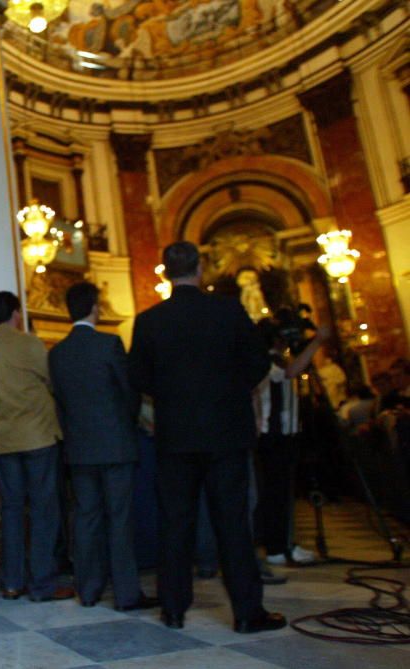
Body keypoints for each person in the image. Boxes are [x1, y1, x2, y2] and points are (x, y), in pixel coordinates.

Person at [129, 241, 285, 633]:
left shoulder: (150, 321)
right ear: (200, 269)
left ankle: (173, 609)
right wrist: (232, 393)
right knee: (233, 524)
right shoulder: (228, 310)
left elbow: (138, 378)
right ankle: (248, 613)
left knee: (175, 522)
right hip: (226, 433)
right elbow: (258, 362)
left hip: (175, 435)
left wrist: (169, 397)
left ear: (165, 272)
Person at [48, 282, 158, 611]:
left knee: (85, 519)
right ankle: (126, 595)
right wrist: (125, 423)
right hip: (116, 446)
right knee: (119, 519)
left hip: (79, 449)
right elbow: (129, 392)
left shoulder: (57, 353)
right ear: (95, 308)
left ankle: (89, 590)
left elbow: (61, 402)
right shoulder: (109, 344)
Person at [0, 291, 73, 602]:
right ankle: (42, 583)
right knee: (45, 511)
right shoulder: (28, 343)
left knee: (12, 511)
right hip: (38, 438)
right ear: (16, 313)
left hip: (5, 441)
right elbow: (52, 381)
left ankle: (12, 582)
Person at [253, 317, 330, 567]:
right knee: (275, 492)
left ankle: (285, 542)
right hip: (272, 435)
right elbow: (290, 372)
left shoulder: (274, 358)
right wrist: (316, 342)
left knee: (284, 491)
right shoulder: (265, 359)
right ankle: (276, 546)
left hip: (284, 433)